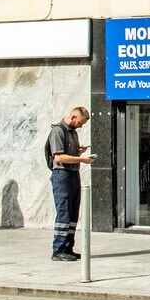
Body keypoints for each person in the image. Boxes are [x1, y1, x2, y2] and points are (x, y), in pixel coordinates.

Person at [46, 106, 93, 262]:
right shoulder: (58, 131)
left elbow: (69, 154)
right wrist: (82, 159)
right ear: (73, 117)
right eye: (80, 122)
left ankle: (68, 247)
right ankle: (58, 249)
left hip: (73, 174)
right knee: (64, 212)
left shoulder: (73, 133)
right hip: (62, 175)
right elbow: (59, 158)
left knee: (73, 213)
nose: (81, 126)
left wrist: (79, 151)